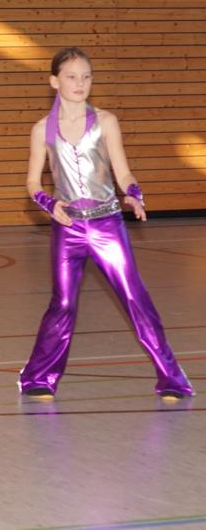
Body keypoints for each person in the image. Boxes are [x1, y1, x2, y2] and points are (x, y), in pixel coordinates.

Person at [19, 47, 194, 401]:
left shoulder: (106, 122)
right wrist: (48, 203)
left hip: (107, 226)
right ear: (54, 81)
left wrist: (133, 192)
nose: (80, 83)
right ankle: (38, 377)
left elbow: (123, 171)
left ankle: (172, 377)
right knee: (62, 304)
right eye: (71, 76)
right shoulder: (42, 130)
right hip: (67, 228)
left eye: (86, 76)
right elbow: (33, 182)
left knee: (134, 297)